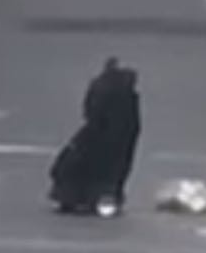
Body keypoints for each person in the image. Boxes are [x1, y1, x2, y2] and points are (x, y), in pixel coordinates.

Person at [50, 58, 141, 216]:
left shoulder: (114, 99)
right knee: (94, 165)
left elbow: (93, 112)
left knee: (88, 164)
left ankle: (84, 195)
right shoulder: (121, 101)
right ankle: (85, 195)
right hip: (110, 136)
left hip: (108, 136)